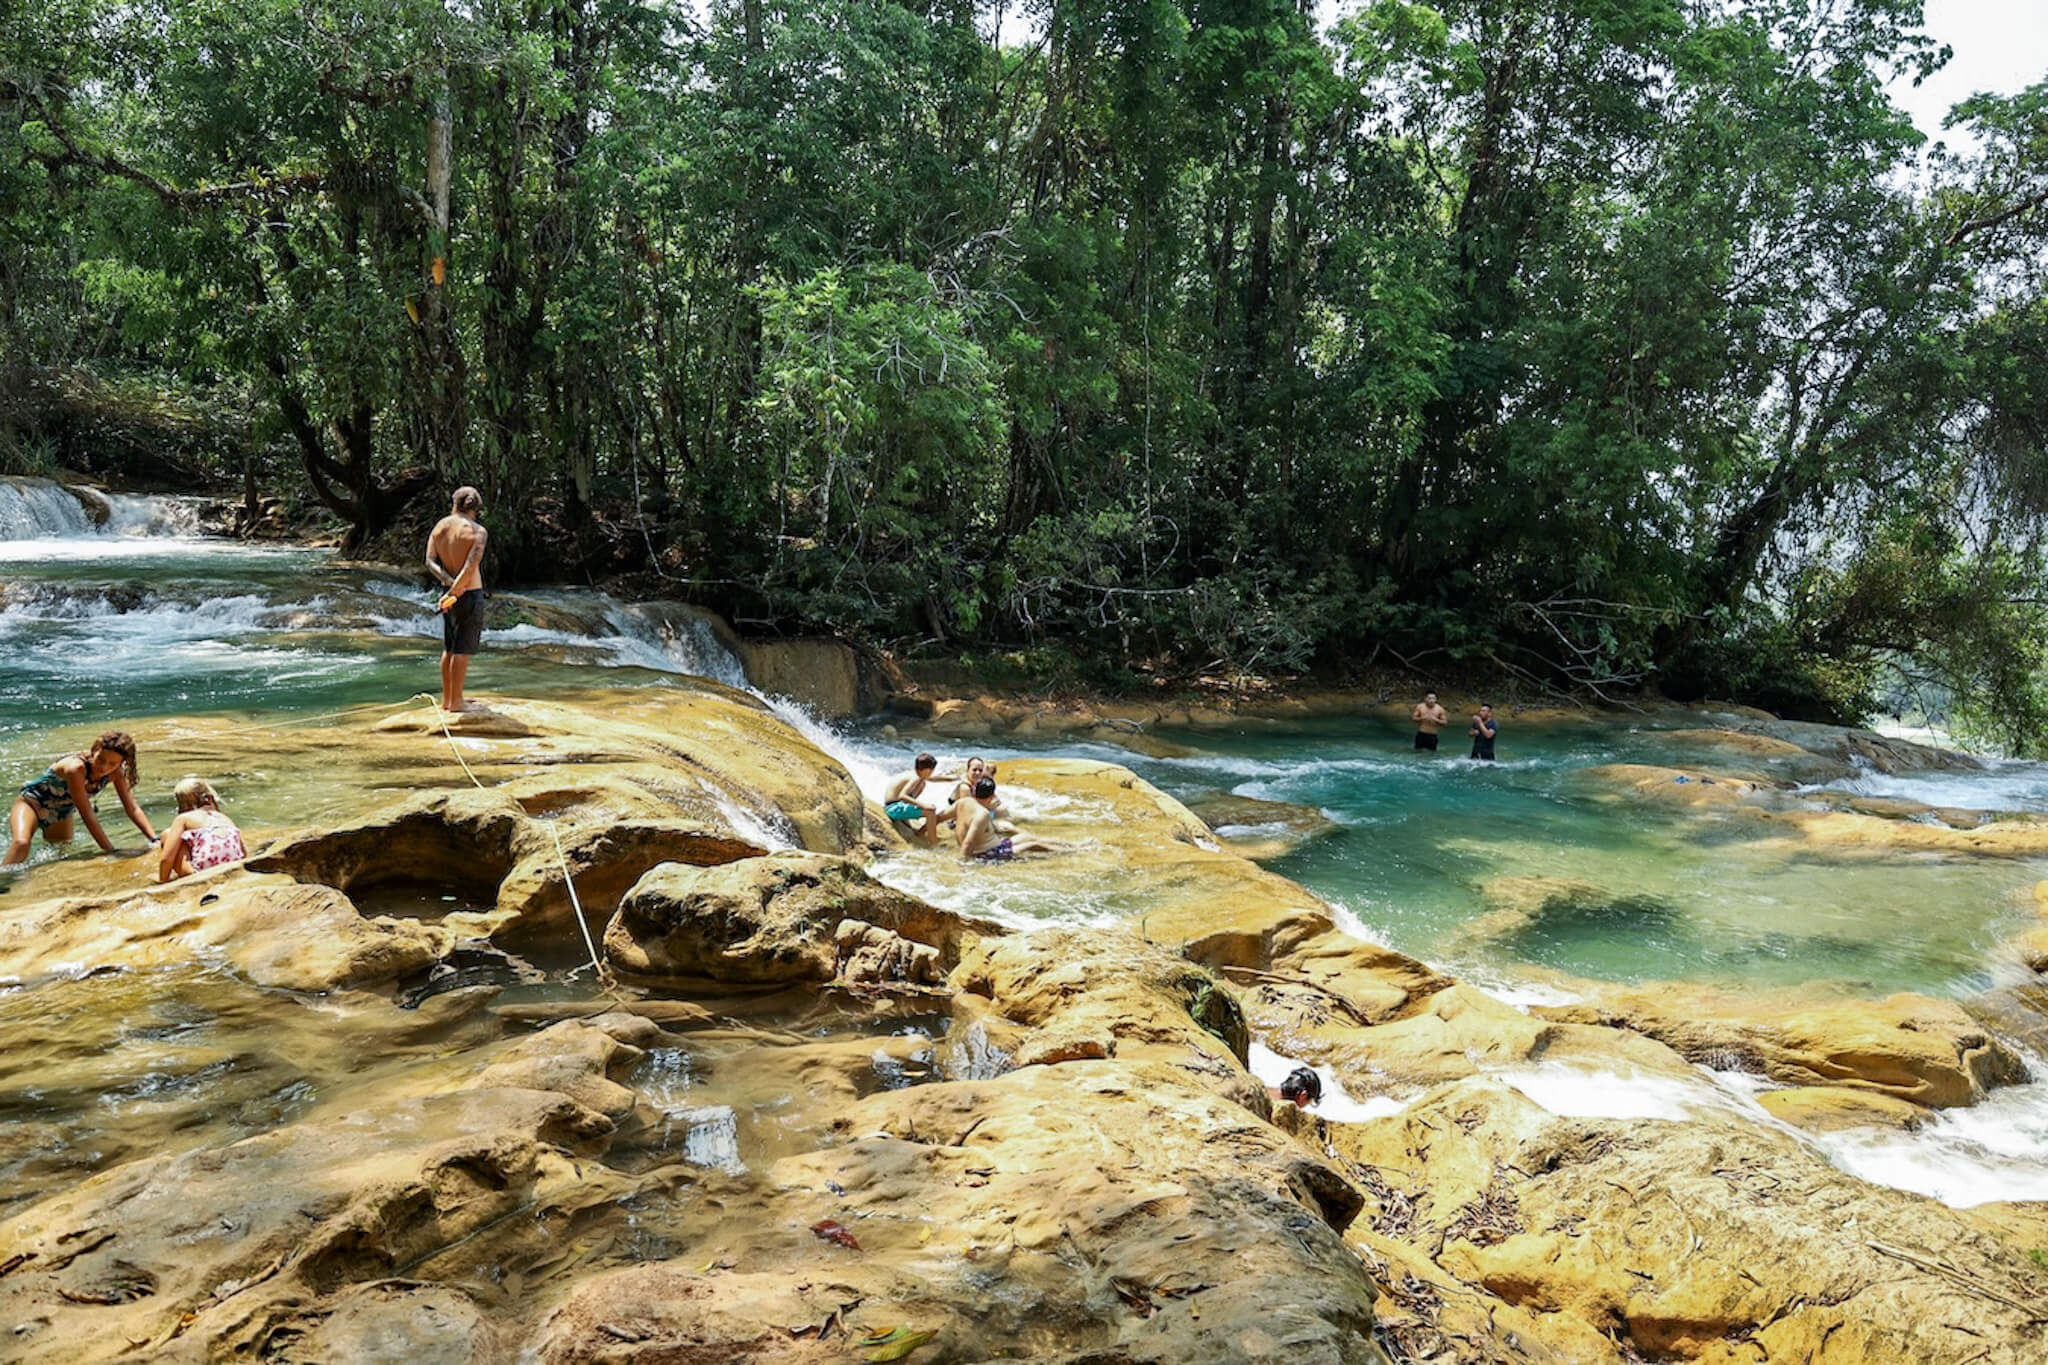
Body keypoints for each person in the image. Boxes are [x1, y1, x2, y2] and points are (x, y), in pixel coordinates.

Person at [5, 731, 155, 866]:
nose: (104, 767)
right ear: (95, 749)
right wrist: (111, 851)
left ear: (121, 763)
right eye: (101, 759)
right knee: (21, 843)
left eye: (112, 763)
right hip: (32, 803)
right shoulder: (76, 769)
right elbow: (87, 815)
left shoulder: (116, 774)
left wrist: (154, 839)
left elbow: (132, 808)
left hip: (61, 813)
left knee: (59, 856)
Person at [426, 486, 489, 713]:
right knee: (462, 649)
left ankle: (447, 700)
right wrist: (457, 588)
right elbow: (471, 565)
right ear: (476, 507)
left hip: (448, 596)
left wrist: (449, 585)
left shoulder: (440, 527)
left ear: (454, 503)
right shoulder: (478, 531)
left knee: (449, 647)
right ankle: (457, 702)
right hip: (469, 594)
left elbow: (429, 562)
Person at [157, 777, 247, 882]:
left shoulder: (183, 818)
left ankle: (183, 875)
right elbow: (244, 852)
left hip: (199, 874)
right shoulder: (224, 818)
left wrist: (163, 881)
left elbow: (166, 859)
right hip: (233, 869)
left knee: (167, 834)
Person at [956, 777, 1061, 862]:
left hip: (997, 845)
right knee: (1034, 845)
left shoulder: (965, 802)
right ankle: (1068, 852)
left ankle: (1068, 845)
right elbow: (968, 843)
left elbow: (942, 816)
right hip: (989, 853)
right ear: (992, 796)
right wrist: (963, 862)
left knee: (1027, 837)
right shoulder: (982, 814)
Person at [883, 753, 950, 845]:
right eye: (931, 770)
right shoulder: (915, 778)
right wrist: (924, 806)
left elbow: (933, 779)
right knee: (930, 813)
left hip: (892, 806)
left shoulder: (914, 774)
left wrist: (952, 779)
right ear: (926, 770)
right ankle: (934, 843)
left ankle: (910, 823)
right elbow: (902, 796)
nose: (932, 773)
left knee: (923, 783)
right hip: (894, 808)